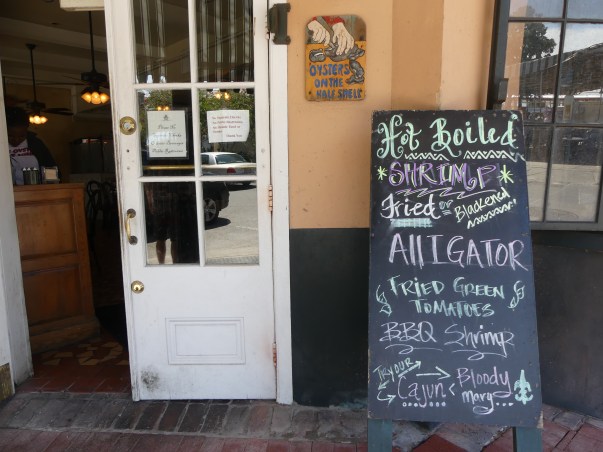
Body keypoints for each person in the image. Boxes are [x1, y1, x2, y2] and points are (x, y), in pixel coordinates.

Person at [5, 106, 57, 185]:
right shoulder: (2, 145)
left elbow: (50, 167)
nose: (16, 140)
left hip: (35, 190)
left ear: (27, 130)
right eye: (10, 136)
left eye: (21, 136)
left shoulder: (35, 144)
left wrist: (51, 185)